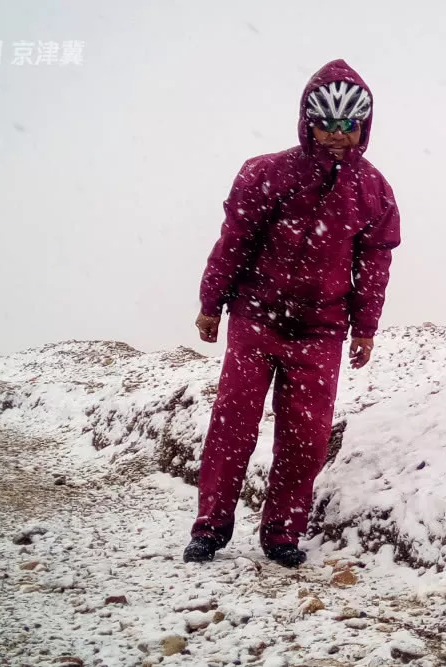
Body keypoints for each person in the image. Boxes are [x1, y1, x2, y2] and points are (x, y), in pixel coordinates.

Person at [184, 59, 401, 567]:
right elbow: (234, 242)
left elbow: (374, 265)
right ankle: (210, 527)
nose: (336, 135)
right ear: (308, 120)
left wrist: (365, 329)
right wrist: (210, 304)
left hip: (321, 330)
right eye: (326, 123)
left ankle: (281, 532)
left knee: (307, 435)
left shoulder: (374, 190)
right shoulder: (267, 172)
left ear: (362, 127)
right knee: (232, 424)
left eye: (348, 126)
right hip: (255, 319)